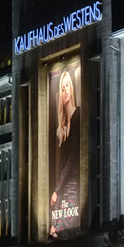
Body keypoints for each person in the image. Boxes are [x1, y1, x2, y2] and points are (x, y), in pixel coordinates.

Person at [50, 69, 80, 237]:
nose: (66, 90)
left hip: (73, 188)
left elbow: (72, 158)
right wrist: (56, 190)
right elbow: (61, 164)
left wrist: (56, 190)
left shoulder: (78, 115)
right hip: (62, 190)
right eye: (62, 88)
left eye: (68, 85)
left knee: (59, 229)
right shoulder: (60, 129)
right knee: (53, 230)